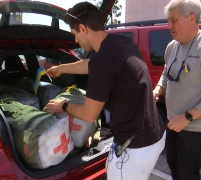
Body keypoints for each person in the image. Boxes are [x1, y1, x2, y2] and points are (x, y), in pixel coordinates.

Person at [43, 2, 166, 179]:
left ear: (83, 28)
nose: (76, 41)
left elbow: (89, 114)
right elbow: (91, 64)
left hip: (135, 148)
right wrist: (62, 68)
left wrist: (64, 105)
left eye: (75, 34)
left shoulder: (103, 60)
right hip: (155, 134)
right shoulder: (121, 42)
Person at [153, 0, 201, 179]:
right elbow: (166, 72)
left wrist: (187, 117)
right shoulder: (173, 46)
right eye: (168, 20)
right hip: (174, 121)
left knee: (187, 172)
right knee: (173, 166)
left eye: (173, 20)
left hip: (197, 126)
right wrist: (158, 89)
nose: (168, 25)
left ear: (192, 18)